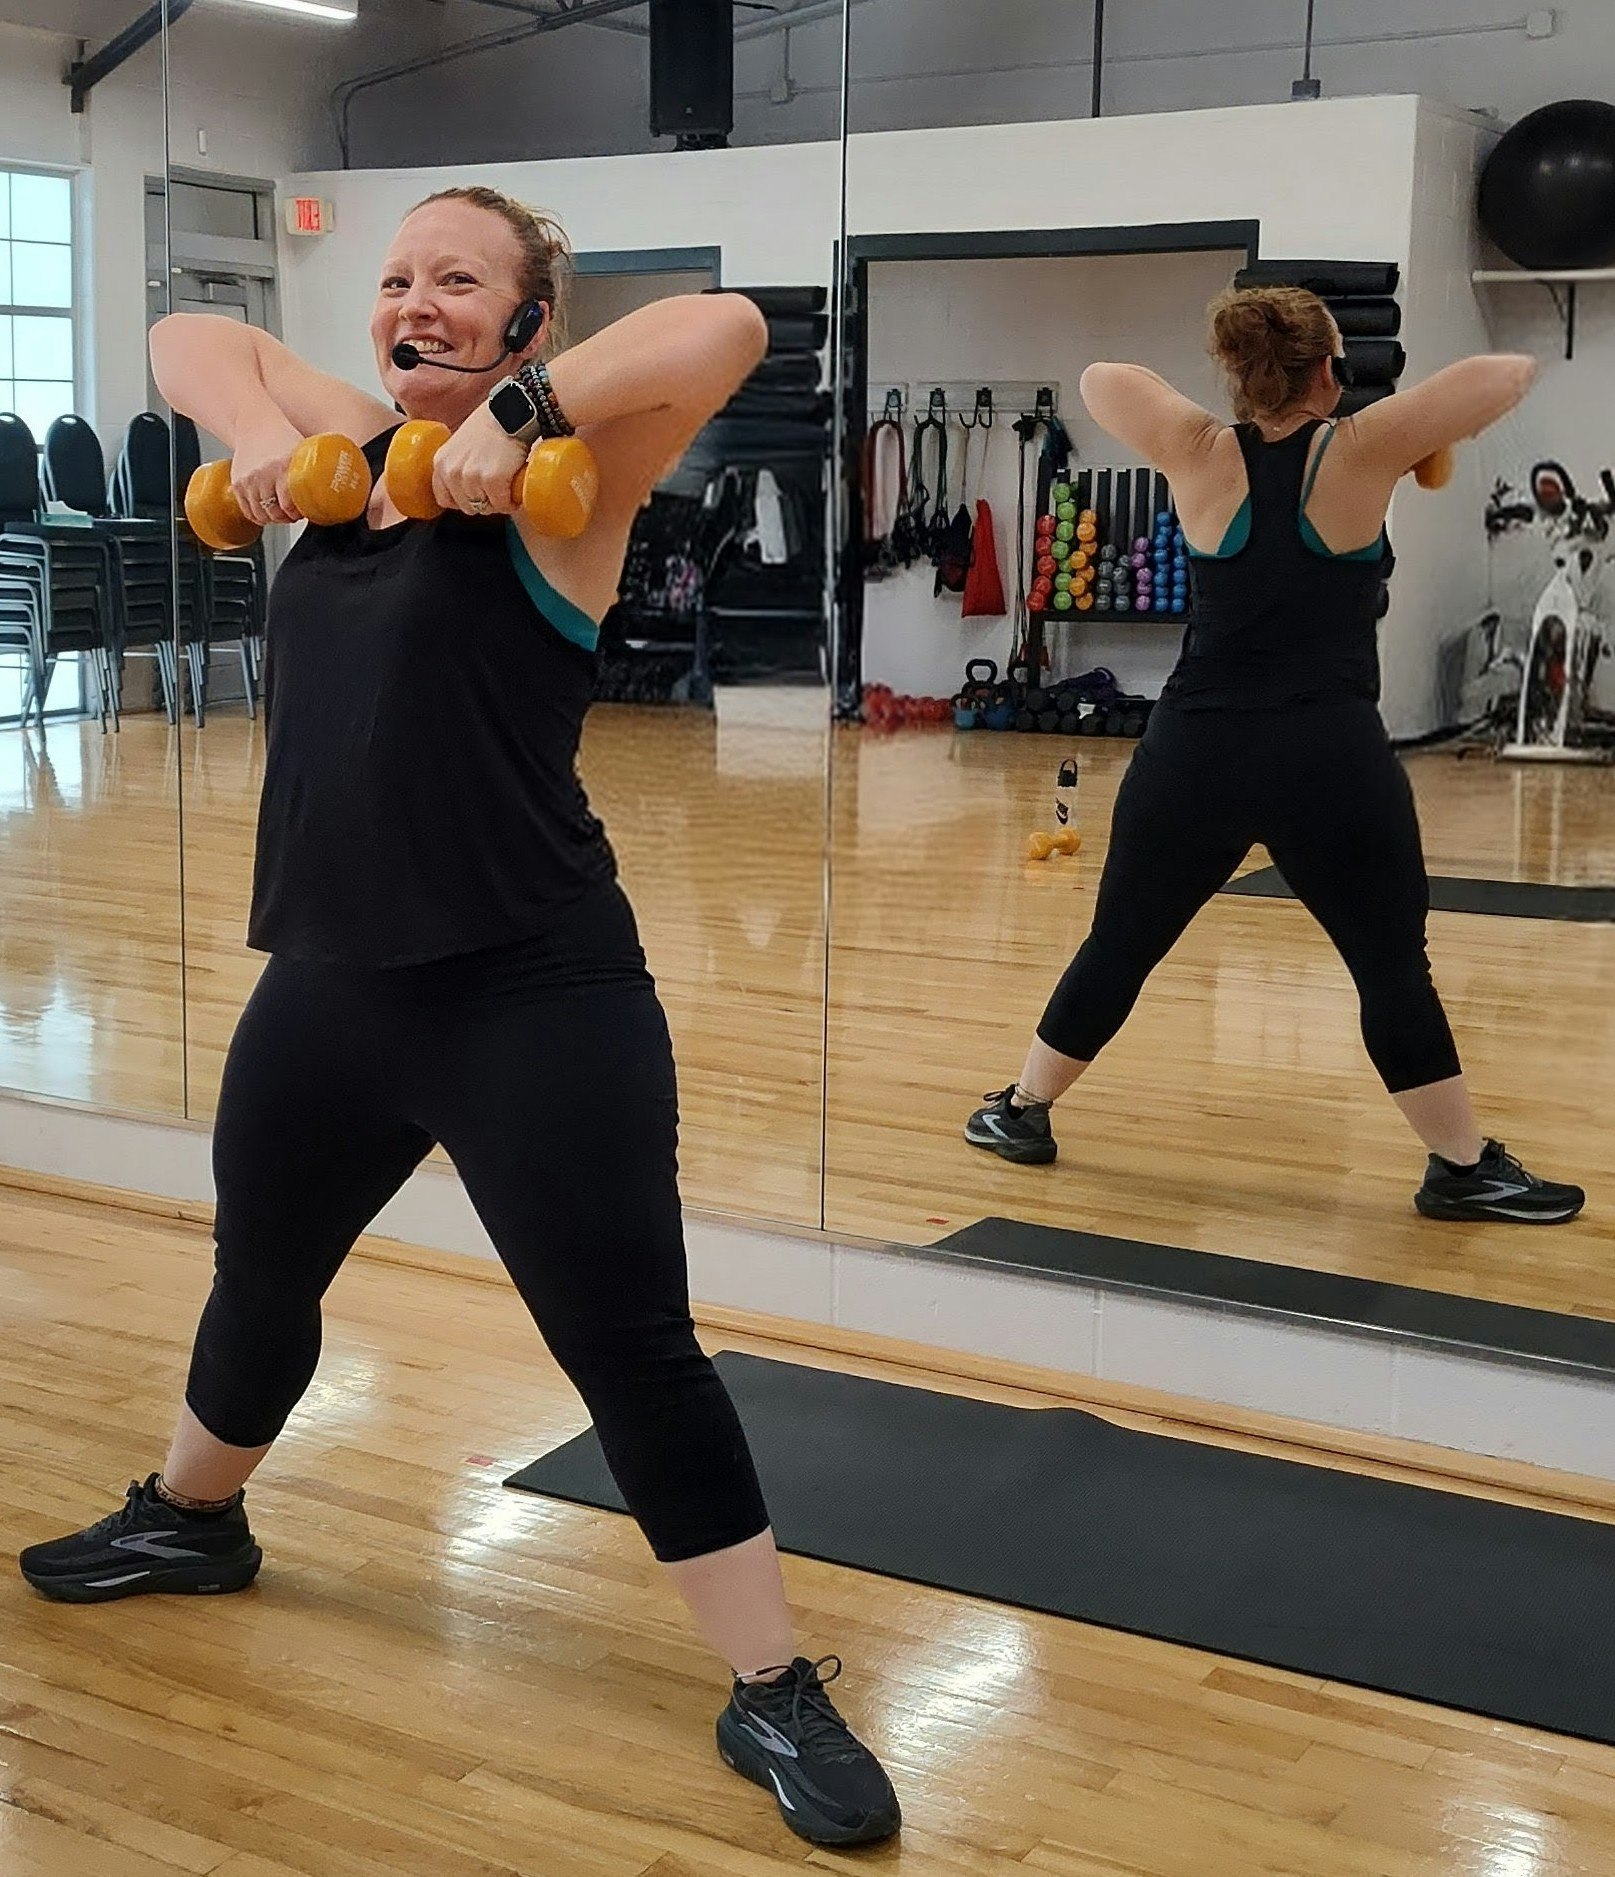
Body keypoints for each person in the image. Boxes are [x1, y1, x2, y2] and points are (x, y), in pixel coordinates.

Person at [18, 185, 900, 1850]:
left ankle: (772, 1679)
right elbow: (190, 334)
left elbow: (726, 330)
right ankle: (195, 1519)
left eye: (462, 281)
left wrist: (529, 416)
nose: (416, 298)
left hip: (531, 987)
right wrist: (252, 441)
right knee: (261, 1270)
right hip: (334, 983)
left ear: (523, 323)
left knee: (628, 1347)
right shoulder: (351, 453)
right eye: (399, 277)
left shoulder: (571, 486)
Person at [967, 285, 1584, 1227]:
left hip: (1193, 752)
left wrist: (1245, 402)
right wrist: (1391, 413)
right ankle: (1459, 1166)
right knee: (1390, 966)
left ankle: (1020, 1109)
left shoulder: (1198, 448)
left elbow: (1102, 379)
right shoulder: (1364, 446)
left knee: (1120, 943)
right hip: (1324, 757)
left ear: (1240, 374)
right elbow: (1504, 373)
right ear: (1327, 370)